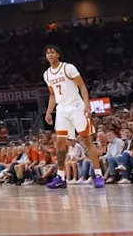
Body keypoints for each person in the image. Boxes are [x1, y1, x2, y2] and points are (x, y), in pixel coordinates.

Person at [42, 45, 106, 189]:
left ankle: (98, 175)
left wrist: (87, 106)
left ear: (58, 54)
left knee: (87, 140)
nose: (50, 55)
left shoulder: (68, 68)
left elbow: (82, 87)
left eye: (52, 52)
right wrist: (48, 111)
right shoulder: (47, 74)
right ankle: (60, 177)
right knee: (60, 144)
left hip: (76, 107)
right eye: (47, 53)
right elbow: (52, 95)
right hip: (61, 109)